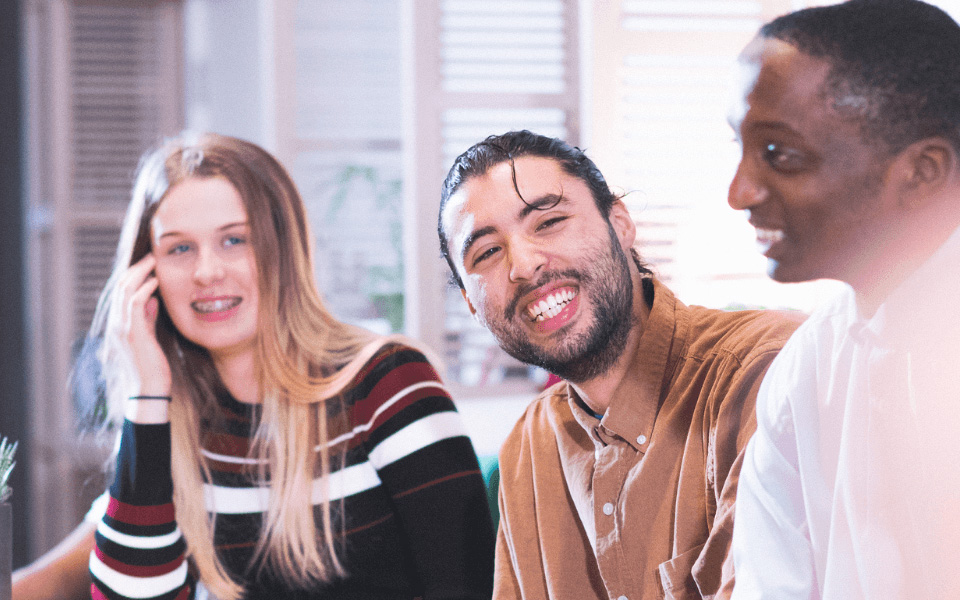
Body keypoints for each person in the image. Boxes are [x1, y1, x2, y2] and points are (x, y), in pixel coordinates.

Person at [32, 131, 495, 600]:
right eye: (179, 249)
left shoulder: (387, 383)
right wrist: (147, 393)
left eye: (234, 240)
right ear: (146, 275)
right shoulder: (166, 425)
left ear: (283, 252)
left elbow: (471, 589)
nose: (207, 272)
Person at [437, 130, 805, 599]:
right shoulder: (528, 445)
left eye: (549, 222)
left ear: (620, 223)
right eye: (487, 252)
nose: (524, 264)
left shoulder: (764, 373)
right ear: (470, 303)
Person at [726, 1, 960, 598]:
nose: (739, 192)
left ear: (921, 172)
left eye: (780, 154)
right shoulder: (807, 369)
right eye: (741, 147)